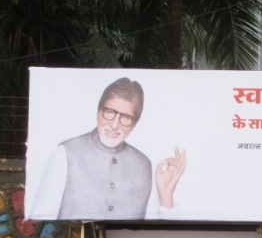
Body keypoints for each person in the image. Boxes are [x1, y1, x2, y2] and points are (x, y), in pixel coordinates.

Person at [29, 77, 187, 220]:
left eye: (125, 118)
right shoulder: (65, 153)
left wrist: (166, 197)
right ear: (98, 113)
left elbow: (156, 236)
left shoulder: (144, 164)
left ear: (134, 124)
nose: (114, 124)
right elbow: (40, 223)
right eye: (110, 112)